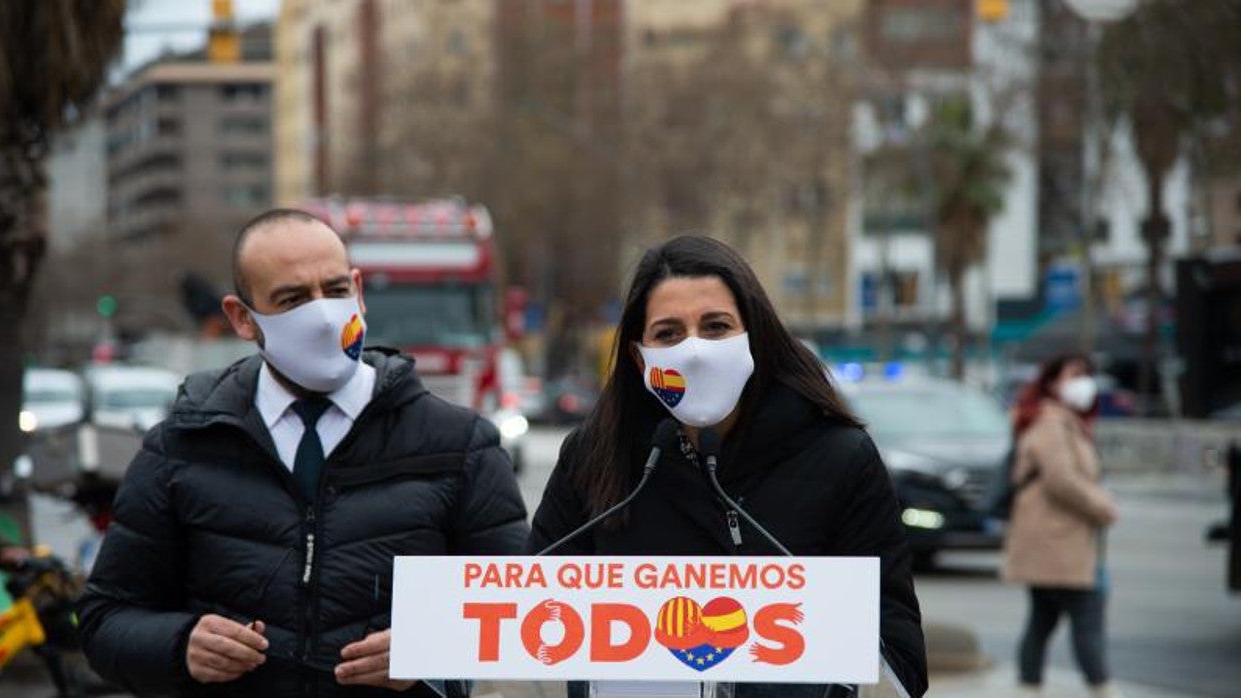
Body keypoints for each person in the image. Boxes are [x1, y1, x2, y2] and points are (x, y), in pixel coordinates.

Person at [77, 209, 528, 697]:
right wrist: (181, 644)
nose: (321, 315)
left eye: (335, 291)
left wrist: (432, 647)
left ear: (358, 290)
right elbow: (104, 620)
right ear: (242, 319)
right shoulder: (182, 448)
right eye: (292, 299)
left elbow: (526, 612)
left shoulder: (459, 444)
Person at [527, 235, 928, 697]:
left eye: (716, 327)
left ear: (753, 337)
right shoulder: (593, 456)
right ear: (640, 357)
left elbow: (900, 658)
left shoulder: (841, 459)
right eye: (669, 333)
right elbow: (533, 623)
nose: (694, 351)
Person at [1003, 353, 1120, 697]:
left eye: (1086, 374)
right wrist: (1104, 507)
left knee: (1042, 619)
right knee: (1088, 619)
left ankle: (1028, 689)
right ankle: (1104, 689)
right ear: (1053, 382)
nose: (1084, 382)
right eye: (1074, 374)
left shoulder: (1063, 420)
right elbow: (1061, 479)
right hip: (1058, 539)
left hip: (1058, 539)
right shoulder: (1051, 422)